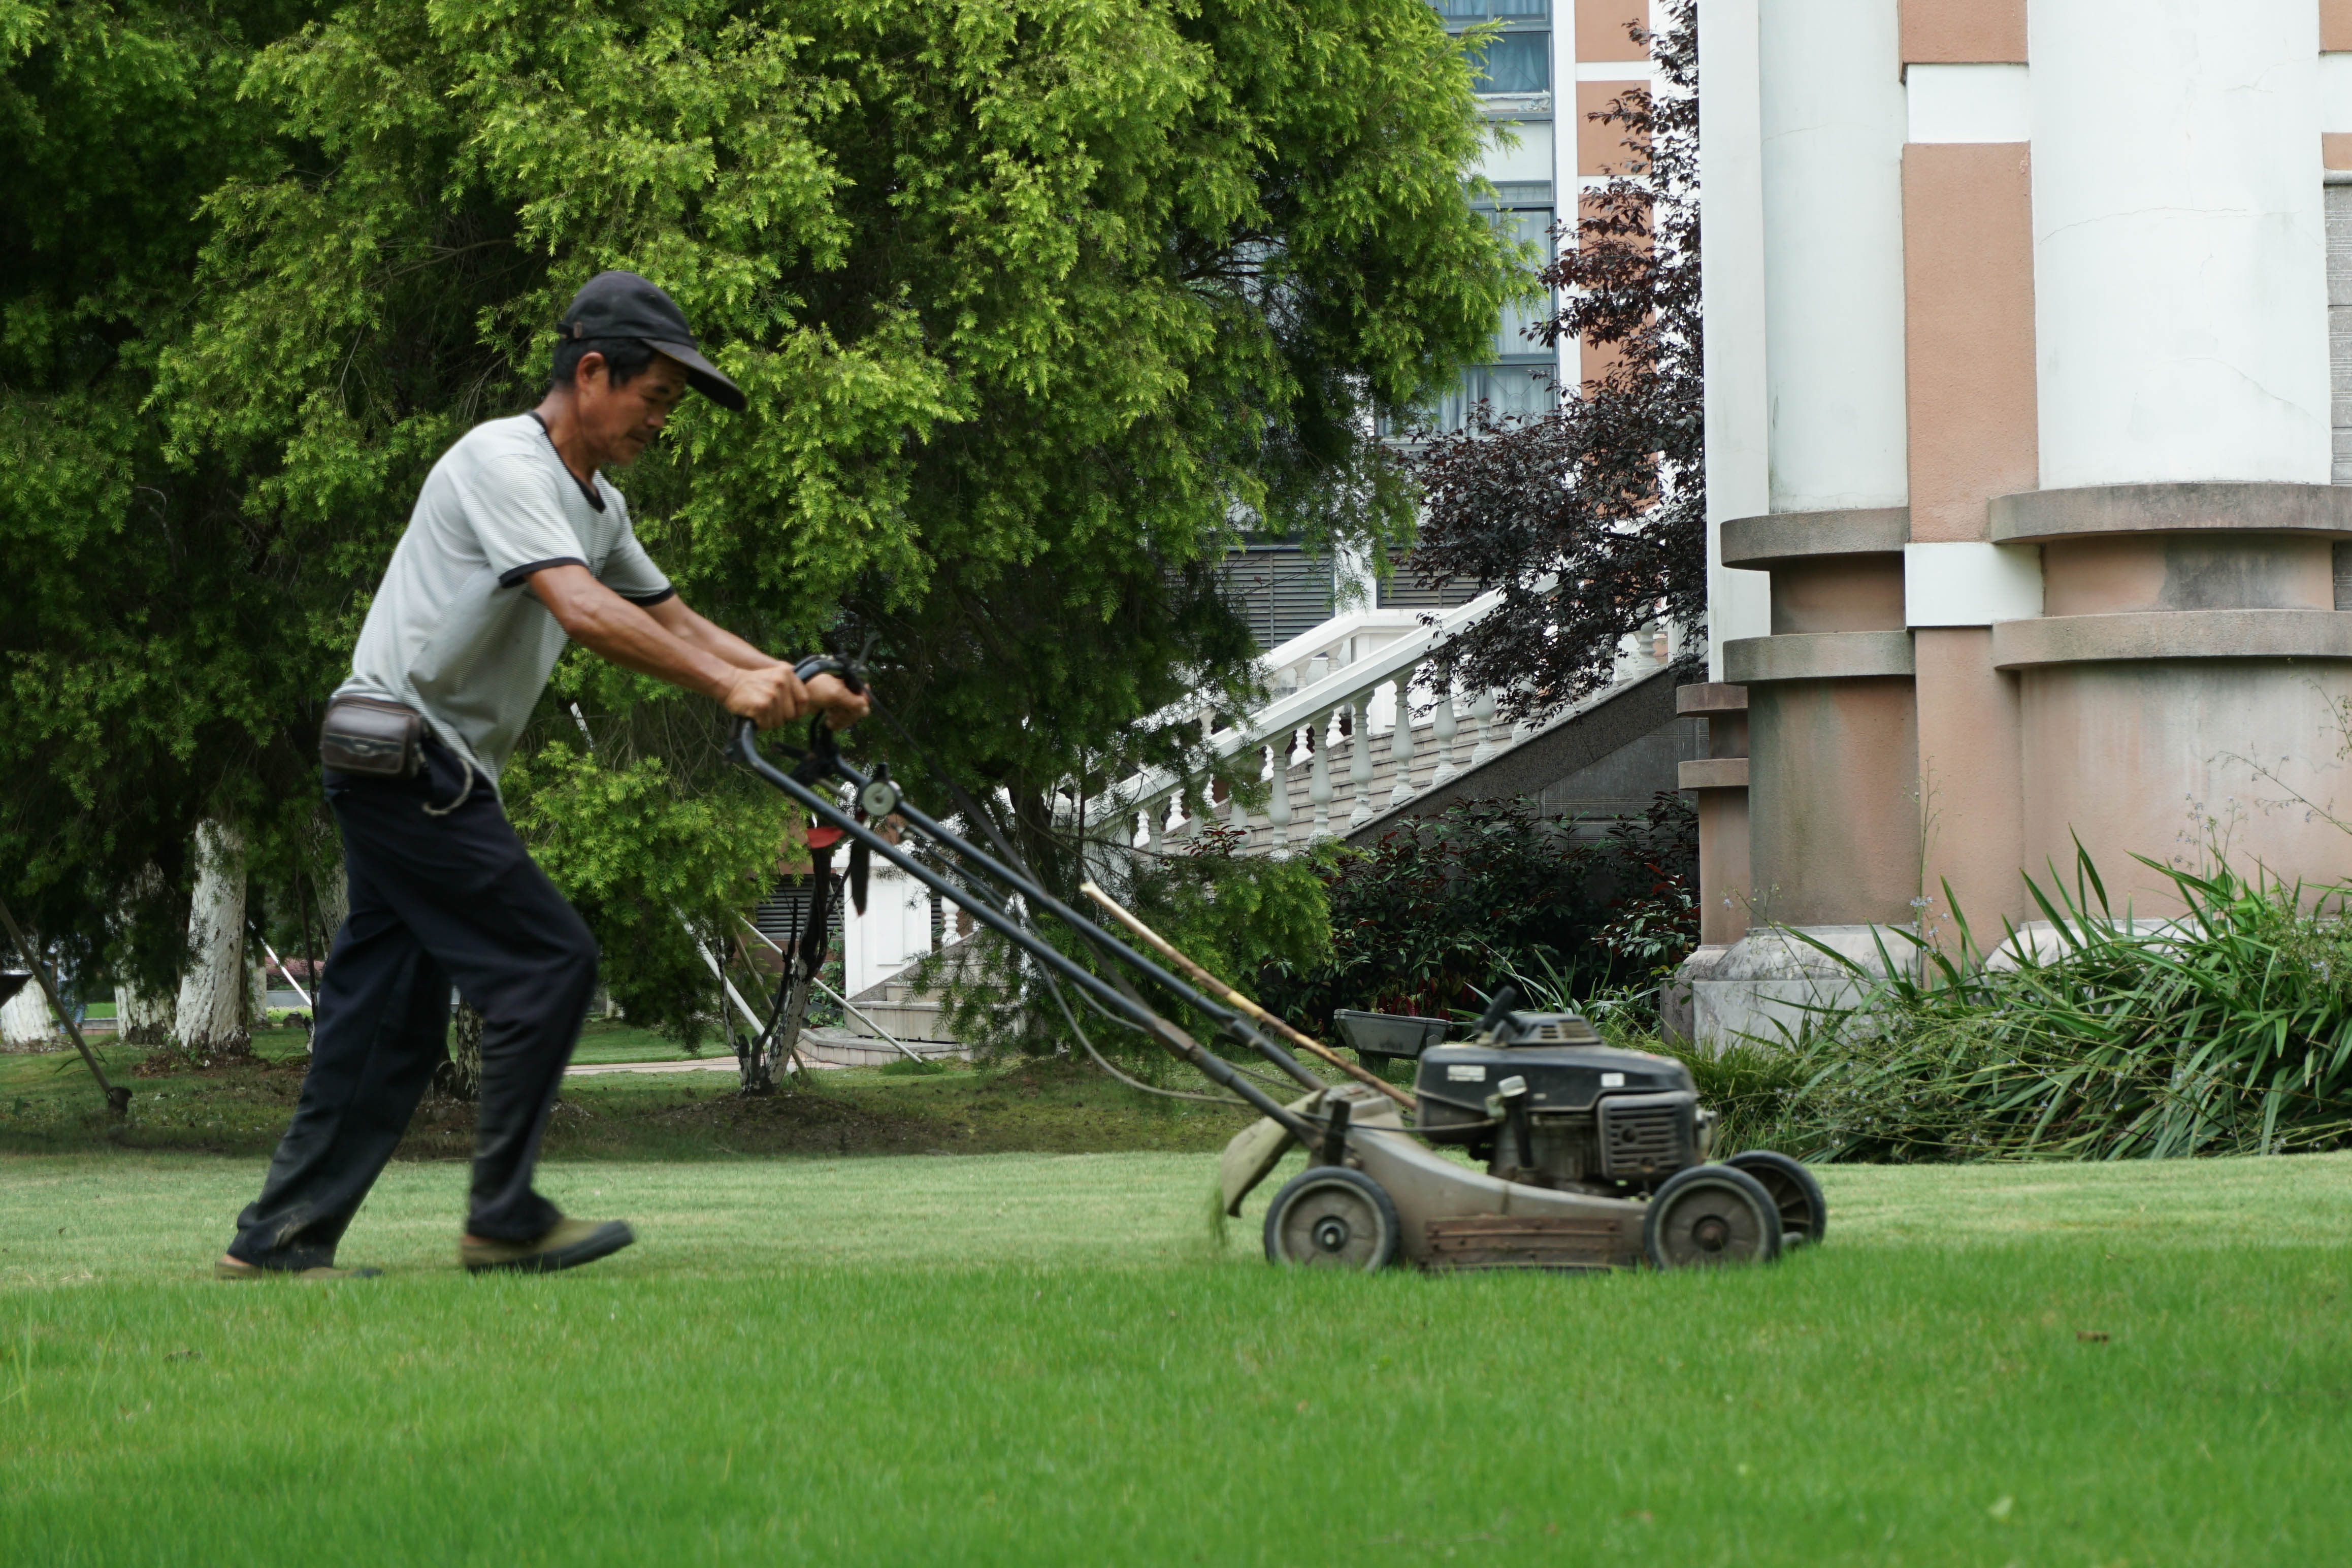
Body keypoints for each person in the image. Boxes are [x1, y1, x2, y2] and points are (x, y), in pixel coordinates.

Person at [218, 271, 866, 1280]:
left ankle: (278, 1242)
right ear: (592, 370)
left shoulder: (596, 505)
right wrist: (726, 688)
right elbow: (582, 610)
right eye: (654, 395)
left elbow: (672, 619)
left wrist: (786, 681)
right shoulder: (502, 461)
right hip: (406, 753)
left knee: (387, 1027)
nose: (661, 418)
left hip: (403, 760)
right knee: (548, 962)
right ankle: (504, 1215)